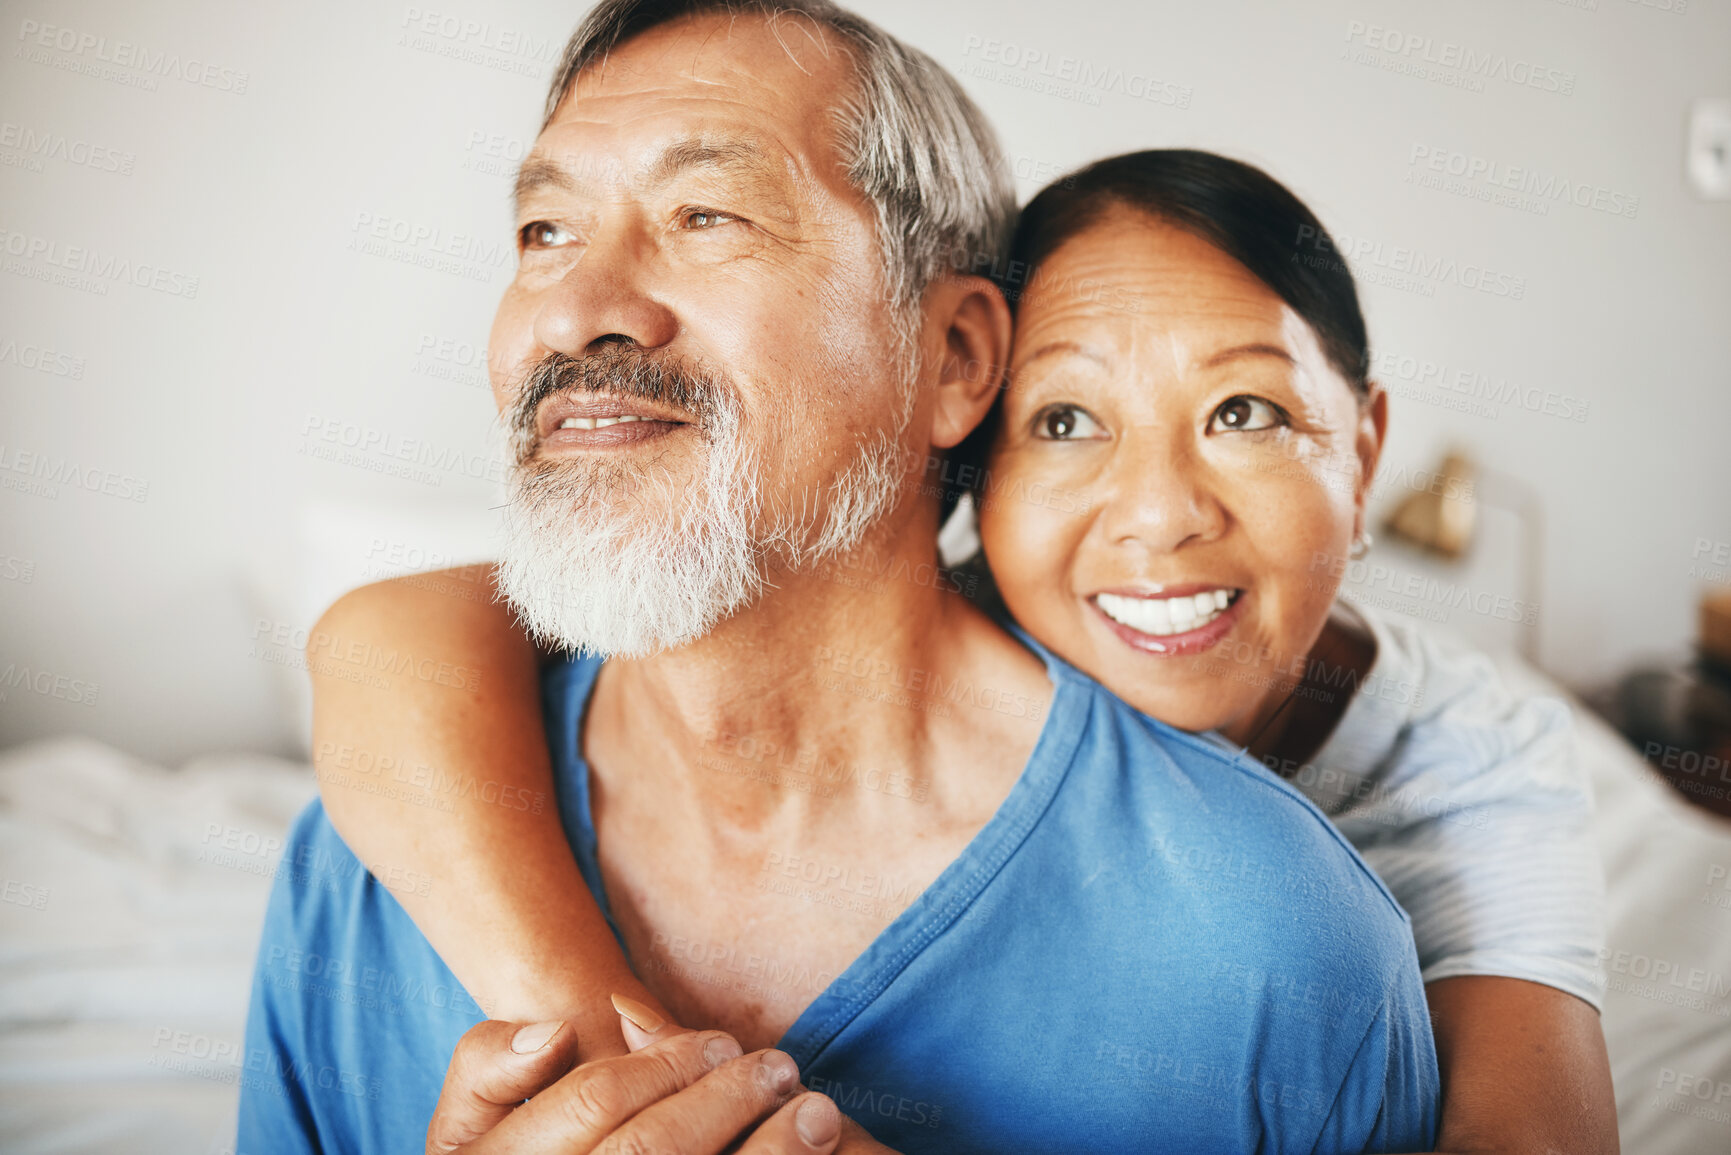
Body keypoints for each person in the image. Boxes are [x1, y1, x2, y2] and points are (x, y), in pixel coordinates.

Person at [238, 1, 1442, 1152]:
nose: (572, 313)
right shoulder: (362, 869)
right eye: (544, 232)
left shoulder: (1282, 953)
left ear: (955, 357)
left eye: (706, 215)